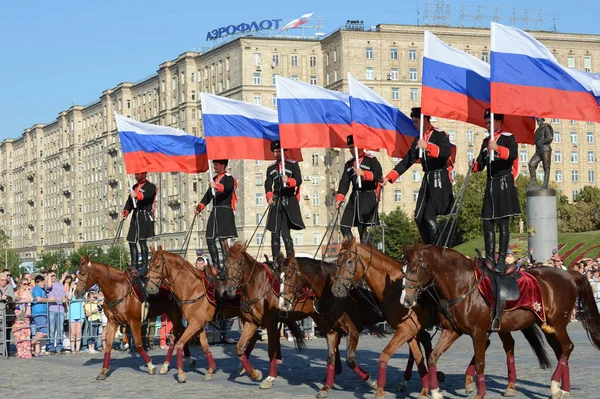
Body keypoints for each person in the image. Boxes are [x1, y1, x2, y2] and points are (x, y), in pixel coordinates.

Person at [472, 109, 520, 330]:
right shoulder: (485, 140)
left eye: (489, 121)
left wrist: (496, 149)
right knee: (486, 220)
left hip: (503, 182)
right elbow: (482, 164)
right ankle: (489, 256)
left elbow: (511, 154)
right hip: (491, 183)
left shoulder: (508, 137)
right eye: (485, 122)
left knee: (503, 222)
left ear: (499, 121)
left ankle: (501, 259)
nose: (486, 125)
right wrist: (476, 163)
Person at [383, 108, 454, 244]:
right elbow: (406, 161)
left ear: (424, 120)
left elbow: (446, 152)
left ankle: (437, 248)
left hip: (439, 178)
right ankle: (429, 247)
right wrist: (389, 177)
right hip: (427, 180)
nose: (414, 124)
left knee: (428, 215)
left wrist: (428, 146)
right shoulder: (417, 140)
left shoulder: (439, 135)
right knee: (418, 216)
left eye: (416, 121)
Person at [336, 135, 382, 244]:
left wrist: (364, 173)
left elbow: (378, 175)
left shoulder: (371, 160)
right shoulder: (349, 164)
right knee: (344, 226)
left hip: (367, 196)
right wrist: (339, 198)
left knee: (362, 230)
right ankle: (354, 249)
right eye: (350, 148)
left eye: (353, 147)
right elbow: (344, 183)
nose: (352, 150)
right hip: (354, 197)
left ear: (360, 146)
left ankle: (365, 254)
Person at [265, 140, 305, 265]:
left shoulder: (292, 164)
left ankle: (291, 260)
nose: (277, 153)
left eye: (279, 151)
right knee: (274, 235)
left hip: (288, 201)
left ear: (284, 151)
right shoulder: (271, 168)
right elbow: (268, 183)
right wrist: (269, 195)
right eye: (275, 151)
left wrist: (288, 181)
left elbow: (298, 180)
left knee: (286, 236)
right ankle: (275, 261)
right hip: (276, 203)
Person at [195, 159, 238, 270]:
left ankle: (226, 266)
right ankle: (216, 266)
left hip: (224, 211)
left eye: (216, 165)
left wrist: (217, 186)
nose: (214, 167)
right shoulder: (213, 179)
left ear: (223, 165)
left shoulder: (229, 178)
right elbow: (208, 196)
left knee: (222, 241)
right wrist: (200, 206)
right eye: (214, 164)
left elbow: (227, 189)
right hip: (214, 211)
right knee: (209, 238)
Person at [122, 171, 157, 276]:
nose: (136, 176)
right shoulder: (134, 187)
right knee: (131, 241)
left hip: (144, 215)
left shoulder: (150, 186)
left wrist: (137, 195)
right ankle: (134, 265)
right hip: (135, 216)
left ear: (144, 174)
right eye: (135, 174)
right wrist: (126, 212)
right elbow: (130, 203)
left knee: (142, 241)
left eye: (138, 174)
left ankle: (144, 266)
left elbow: (148, 196)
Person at [45, 266, 66, 354]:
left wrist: (64, 299)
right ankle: (50, 346)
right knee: (52, 329)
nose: (53, 277)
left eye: (54, 275)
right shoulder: (47, 284)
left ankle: (59, 346)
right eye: (51, 276)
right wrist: (48, 276)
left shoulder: (60, 284)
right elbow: (49, 286)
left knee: (60, 329)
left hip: (60, 308)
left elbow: (63, 296)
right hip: (52, 309)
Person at [528, 117, 553, 189]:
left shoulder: (547, 127)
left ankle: (545, 184)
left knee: (546, 167)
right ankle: (533, 182)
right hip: (538, 151)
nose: (538, 122)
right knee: (531, 164)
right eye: (537, 120)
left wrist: (542, 141)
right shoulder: (537, 130)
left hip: (545, 149)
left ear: (542, 120)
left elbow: (550, 137)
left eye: (539, 120)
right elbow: (535, 140)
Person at [13, 277, 33, 358]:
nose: (26, 285)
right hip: (18, 313)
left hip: (25, 314)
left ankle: (26, 351)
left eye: (27, 284)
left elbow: (31, 300)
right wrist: (19, 301)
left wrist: (28, 291)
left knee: (26, 333)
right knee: (18, 333)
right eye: (24, 284)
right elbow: (13, 303)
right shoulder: (16, 293)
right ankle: (20, 351)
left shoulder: (27, 292)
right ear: (20, 284)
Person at [0, 271, 15, 356]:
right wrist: (1, 298)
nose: (4, 282)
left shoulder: (9, 287)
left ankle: (6, 351)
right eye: (2, 280)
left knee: (7, 332)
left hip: (6, 312)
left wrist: (9, 298)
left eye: (5, 280)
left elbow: (13, 299)